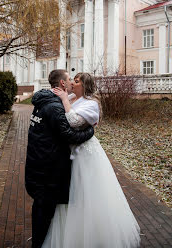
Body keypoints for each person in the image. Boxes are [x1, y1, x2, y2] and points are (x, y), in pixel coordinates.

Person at [42, 72, 141, 248]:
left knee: (86, 193)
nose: (73, 82)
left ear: (85, 85)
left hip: (85, 155)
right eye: (72, 79)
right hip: (69, 153)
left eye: (77, 81)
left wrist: (65, 100)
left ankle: (93, 236)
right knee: (70, 194)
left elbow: (73, 121)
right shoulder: (71, 97)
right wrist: (65, 99)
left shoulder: (91, 104)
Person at [25, 69, 95, 248]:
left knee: (41, 210)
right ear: (63, 84)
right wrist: (90, 131)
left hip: (37, 166)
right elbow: (69, 135)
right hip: (46, 172)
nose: (72, 82)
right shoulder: (55, 106)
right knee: (43, 215)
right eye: (70, 79)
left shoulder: (42, 101)